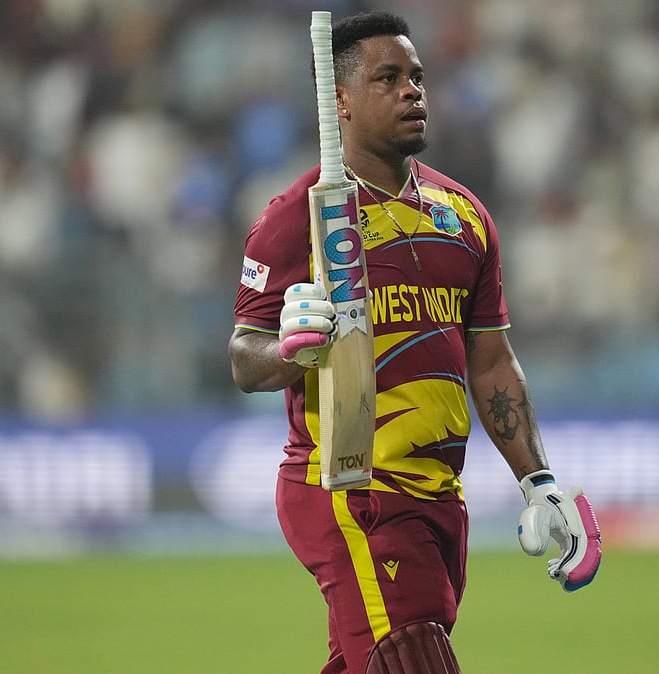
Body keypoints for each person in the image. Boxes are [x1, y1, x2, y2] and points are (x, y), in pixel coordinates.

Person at [228, 10, 601, 674]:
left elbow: (491, 362)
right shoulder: (299, 219)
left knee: (374, 660)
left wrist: (538, 481)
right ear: (337, 99)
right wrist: (290, 349)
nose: (413, 91)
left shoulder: (465, 216)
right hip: (350, 491)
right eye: (389, 78)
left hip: (437, 497)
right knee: (415, 658)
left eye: (418, 77)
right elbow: (242, 357)